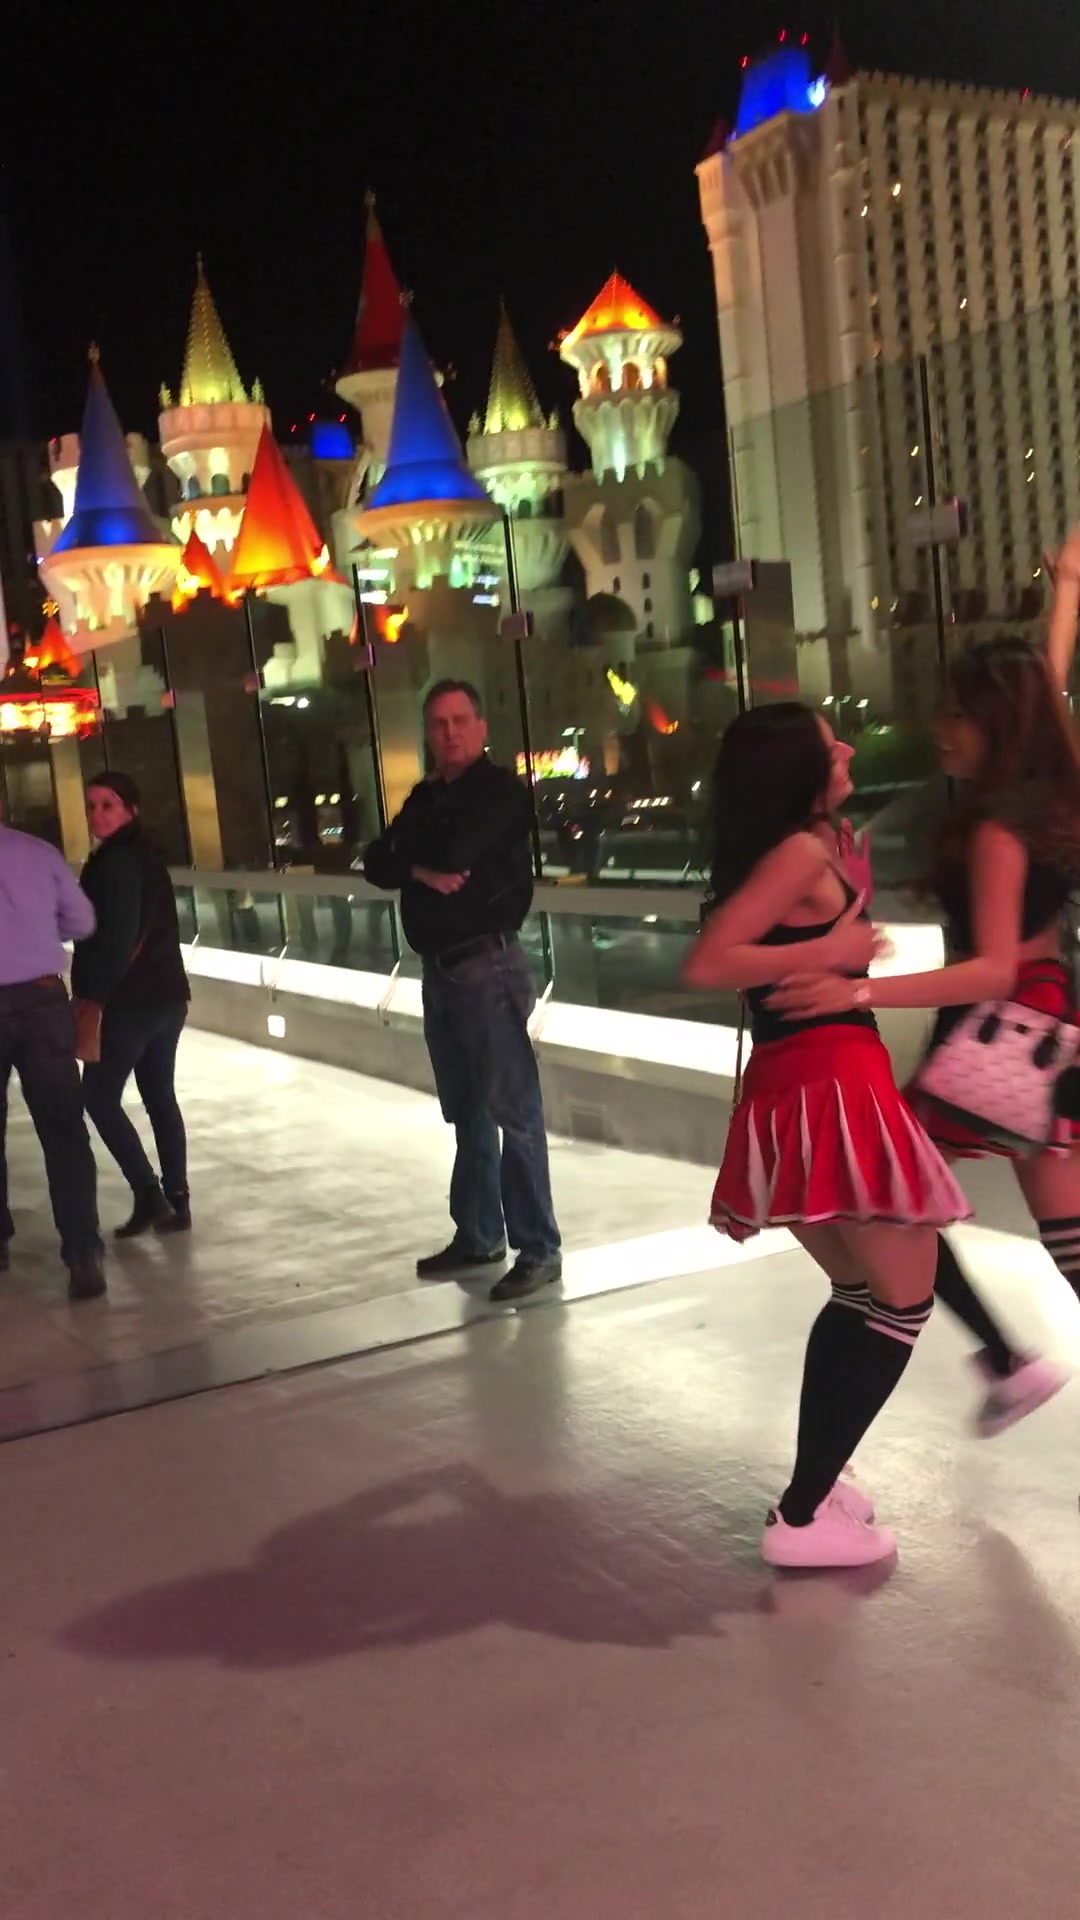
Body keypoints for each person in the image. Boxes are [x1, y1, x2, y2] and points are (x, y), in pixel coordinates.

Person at [770, 534, 1080, 1433]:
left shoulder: (997, 828)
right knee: (1058, 1238)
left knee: (884, 1192)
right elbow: (1047, 688)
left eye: (956, 714)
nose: (941, 726)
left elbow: (989, 968)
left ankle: (1005, 1358)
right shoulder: (1044, 792)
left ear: (995, 726)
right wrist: (1064, 593)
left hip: (999, 1031)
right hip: (1041, 1029)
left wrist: (854, 993)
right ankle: (1006, 1359)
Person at [683, 703, 972, 1570]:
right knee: (903, 1299)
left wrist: (839, 929)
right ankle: (803, 1516)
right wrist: (827, 951)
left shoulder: (807, 846)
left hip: (794, 1089)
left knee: (857, 1293)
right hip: (832, 1085)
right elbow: (710, 961)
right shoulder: (800, 853)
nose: (845, 747)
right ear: (795, 771)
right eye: (827, 741)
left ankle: (813, 1490)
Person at [363, 680, 562, 1303]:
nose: (449, 732)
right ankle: (479, 1234)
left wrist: (413, 856)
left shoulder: (499, 792)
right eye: (437, 723)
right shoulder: (427, 795)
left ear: (481, 727)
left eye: (459, 720)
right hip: (440, 972)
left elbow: (455, 849)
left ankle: (539, 1248)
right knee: (467, 1111)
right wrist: (419, 869)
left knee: (513, 1111)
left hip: (486, 967)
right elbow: (375, 861)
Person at [73, 772, 192, 1238]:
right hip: (167, 996)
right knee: (159, 1095)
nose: (97, 814)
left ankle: (148, 1194)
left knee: (98, 1097)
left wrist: (94, 996)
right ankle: (177, 1199)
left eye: (108, 805)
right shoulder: (147, 855)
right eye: (92, 805)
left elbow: (119, 938)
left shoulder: (118, 862)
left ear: (131, 809)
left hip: (130, 1001)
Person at [0, 811, 105, 1299]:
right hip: (43, 1000)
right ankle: (83, 1254)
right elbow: (83, 922)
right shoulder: (39, 853)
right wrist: (38, 928)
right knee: (64, 1129)